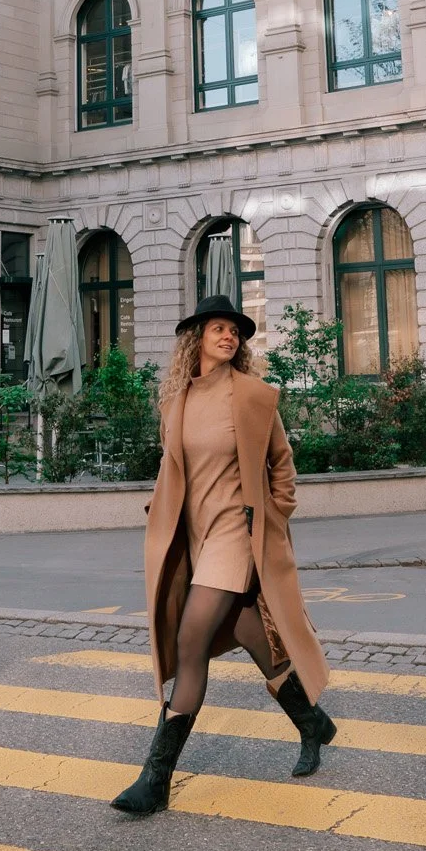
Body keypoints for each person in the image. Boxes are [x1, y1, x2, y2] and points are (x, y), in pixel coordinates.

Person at [111, 294, 336, 817]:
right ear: (197, 338)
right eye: (218, 328)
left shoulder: (253, 396)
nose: (229, 336)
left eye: (234, 330)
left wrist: (273, 519)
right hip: (194, 536)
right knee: (246, 631)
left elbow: (282, 466)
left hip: (238, 532)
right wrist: (161, 507)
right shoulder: (177, 400)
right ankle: (313, 723)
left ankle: (155, 781)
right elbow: (175, 469)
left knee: (190, 642)